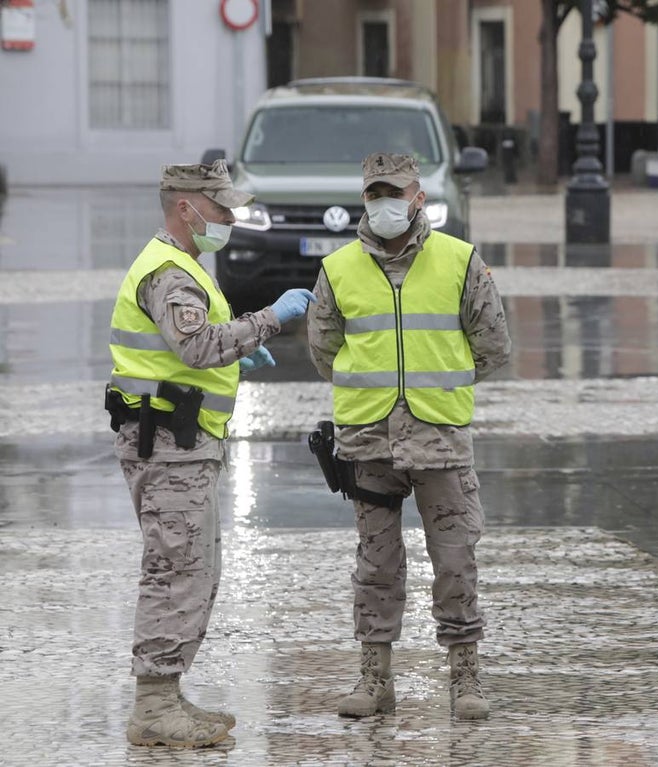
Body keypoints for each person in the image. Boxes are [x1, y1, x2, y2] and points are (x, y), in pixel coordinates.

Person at [106, 159, 315, 747]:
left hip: (183, 442)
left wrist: (236, 351)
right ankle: (152, 705)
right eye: (220, 208)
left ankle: (167, 695)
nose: (229, 218)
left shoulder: (186, 266)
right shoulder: (170, 273)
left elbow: (190, 350)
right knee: (175, 569)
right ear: (185, 207)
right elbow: (197, 347)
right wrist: (269, 320)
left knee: (194, 569)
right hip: (167, 443)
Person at [306, 153, 511, 721]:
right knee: (376, 565)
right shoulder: (338, 269)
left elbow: (493, 344)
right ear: (363, 199)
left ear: (418, 197)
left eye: (393, 192)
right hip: (369, 441)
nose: (383, 203)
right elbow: (324, 351)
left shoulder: (459, 260)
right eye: (373, 194)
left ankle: (465, 679)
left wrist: (438, 383)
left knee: (454, 560)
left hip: (439, 439)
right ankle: (374, 681)